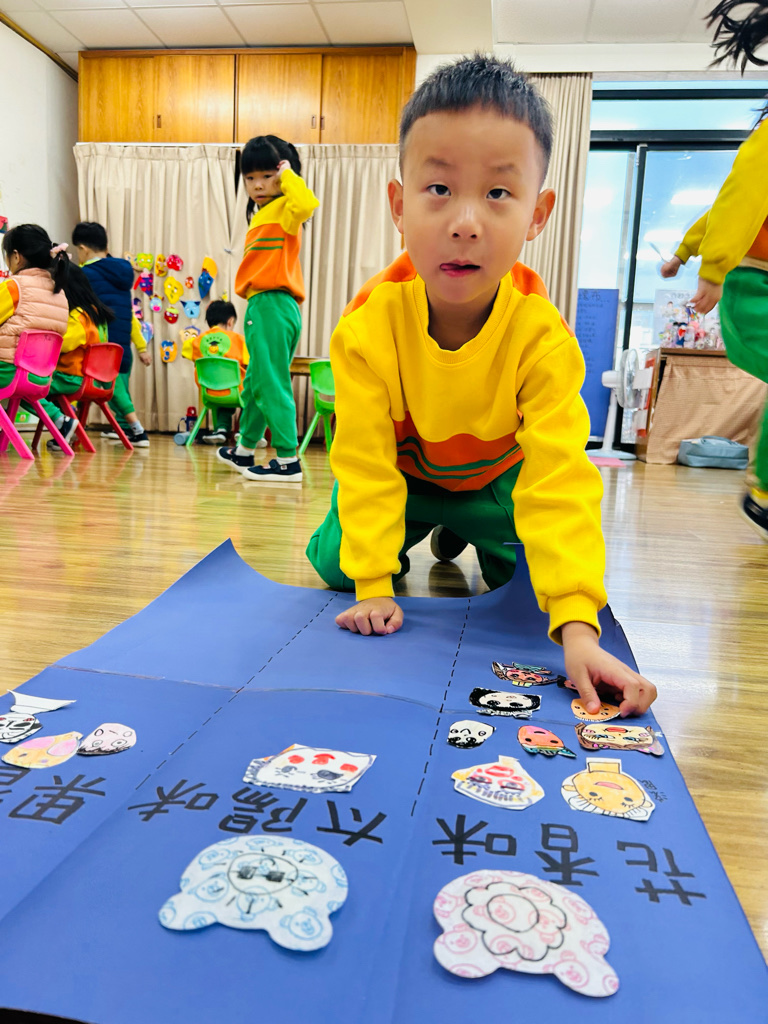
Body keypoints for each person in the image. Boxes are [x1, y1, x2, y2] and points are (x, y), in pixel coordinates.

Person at [306, 55, 656, 717]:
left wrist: (579, 627)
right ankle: (427, 529)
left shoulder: (544, 339)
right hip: (408, 477)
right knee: (337, 568)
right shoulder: (367, 327)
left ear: (537, 214)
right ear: (399, 205)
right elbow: (364, 460)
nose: (465, 221)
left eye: (498, 193)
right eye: (438, 188)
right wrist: (373, 583)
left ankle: (454, 531)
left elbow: (558, 480)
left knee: (526, 590)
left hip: (496, 485)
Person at [661, 2, 768, 540]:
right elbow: (738, 200)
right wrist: (712, 268)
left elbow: (725, 207)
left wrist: (684, 251)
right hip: (755, 286)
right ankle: (764, 492)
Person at [216, 135, 319, 483]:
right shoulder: (263, 214)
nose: (257, 185)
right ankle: (245, 449)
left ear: (283, 172)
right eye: (250, 178)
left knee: (270, 382)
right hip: (265, 304)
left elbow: (306, 202)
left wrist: (287, 174)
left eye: (266, 175)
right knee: (257, 382)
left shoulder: (287, 209)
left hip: (272, 303)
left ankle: (288, 459)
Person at [72, 221, 151, 448]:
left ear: (83, 249)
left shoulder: (85, 274)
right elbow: (130, 317)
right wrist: (141, 347)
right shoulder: (123, 273)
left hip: (100, 346)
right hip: (122, 347)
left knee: (109, 390)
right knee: (116, 389)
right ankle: (124, 429)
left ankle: (137, 430)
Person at [0, 224, 70, 434]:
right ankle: (59, 420)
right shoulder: (60, 294)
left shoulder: (14, 286)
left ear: (16, 256)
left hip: (8, 372)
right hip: (41, 376)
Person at [38, 263, 112, 452]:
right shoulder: (96, 314)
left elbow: (61, 346)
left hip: (70, 378)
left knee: (26, 388)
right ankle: (63, 428)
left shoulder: (78, 317)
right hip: (91, 379)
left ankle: (62, 422)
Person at [182, 299, 254, 445]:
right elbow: (251, 361)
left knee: (223, 395)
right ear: (230, 321)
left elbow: (185, 353)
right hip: (235, 391)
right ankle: (244, 430)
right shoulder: (240, 340)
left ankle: (221, 429)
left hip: (209, 392)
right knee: (251, 393)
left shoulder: (197, 341)